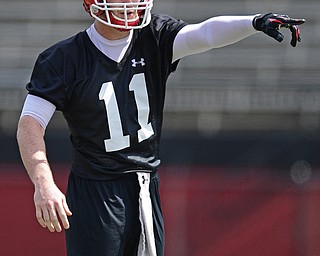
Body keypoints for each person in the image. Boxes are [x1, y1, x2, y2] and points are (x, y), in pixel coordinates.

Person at [16, 0, 305, 255]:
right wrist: (44, 183)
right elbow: (30, 123)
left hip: (144, 185)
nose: (129, 3)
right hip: (96, 192)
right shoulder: (62, 59)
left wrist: (253, 22)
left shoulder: (153, 36)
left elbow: (205, 33)